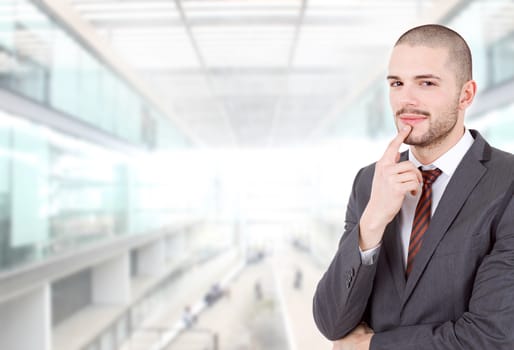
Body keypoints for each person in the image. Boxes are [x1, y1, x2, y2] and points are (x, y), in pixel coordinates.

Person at [312, 24, 514, 350]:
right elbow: (332, 322)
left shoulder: (507, 183)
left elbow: (492, 336)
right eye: (397, 83)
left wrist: (369, 346)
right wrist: (374, 218)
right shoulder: (370, 182)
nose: (406, 100)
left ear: (466, 95)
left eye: (427, 83)